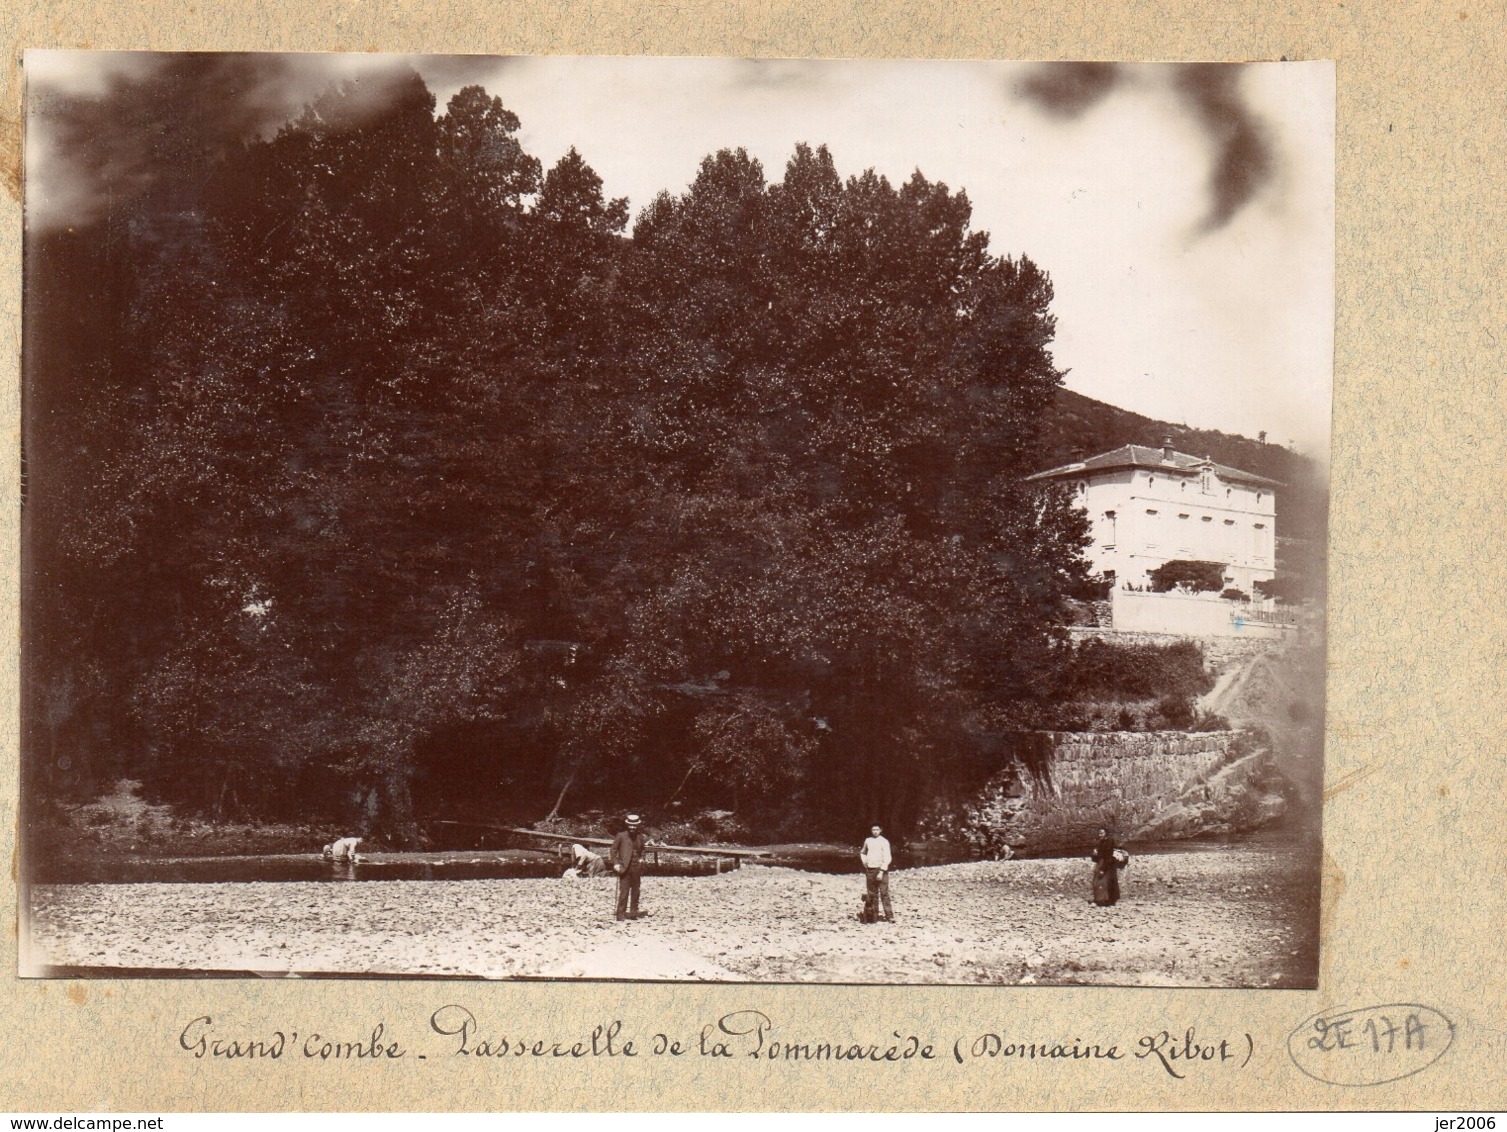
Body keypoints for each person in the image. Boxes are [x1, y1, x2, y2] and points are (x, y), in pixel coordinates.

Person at [610, 813, 650, 920]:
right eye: (630, 825)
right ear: (627, 825)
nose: (632, 827)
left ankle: (633, 913)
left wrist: (641, 859)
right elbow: (613, 851)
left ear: (637, 825)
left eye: (634, 825)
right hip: (624, 867)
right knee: (624, 891)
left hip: (636, 867)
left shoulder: (640, 836)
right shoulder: (621, 835)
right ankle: (620, 914)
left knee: (636, 891)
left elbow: (643, 850)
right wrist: (616, 864)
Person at [859, 824, 894, 922]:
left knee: (884, 893)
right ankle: (874, 916)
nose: (875, 831)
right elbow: (863, 852)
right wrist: (865, 862)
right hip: (870, 870)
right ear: (871, 830)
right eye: (873, 829)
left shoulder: (884, 841)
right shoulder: (868, 840)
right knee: (872, 894)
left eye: (877, 829)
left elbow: (887, 857)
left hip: (881, 870)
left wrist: (882, 871)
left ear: (880, 830)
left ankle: (889, 916)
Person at [1090, 827, 1127, 906]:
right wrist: (1095, 854)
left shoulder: (1109, 842)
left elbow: (1108, 855)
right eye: (1099, 833)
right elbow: (1098, 856)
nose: (1100, 835)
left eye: (1102, 833)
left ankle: (1104, 900)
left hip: (1108, 864)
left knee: (1103, 881)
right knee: (1100, 881)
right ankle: (1103, 900)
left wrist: (1103, 868)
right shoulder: (1101, 842)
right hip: (1102, 863)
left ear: (1106, 833)